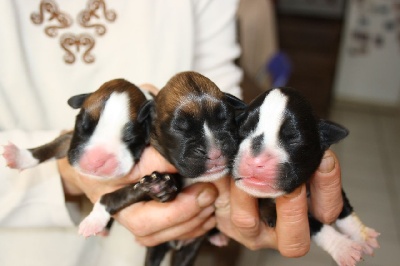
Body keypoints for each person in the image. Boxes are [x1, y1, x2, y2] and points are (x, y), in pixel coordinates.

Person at [0, 0, 344, 265]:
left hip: (155, 239)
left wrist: (246, 190)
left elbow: (219, 88)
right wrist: (72, 175)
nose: (213, 151)